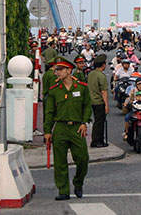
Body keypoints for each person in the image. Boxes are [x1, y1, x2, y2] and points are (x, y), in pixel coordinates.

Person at [43, 56, 92, 201]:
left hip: (77, 127)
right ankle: (63, 190)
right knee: (60, 162)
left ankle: (78, 182)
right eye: (56, 69)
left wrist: (84, 122)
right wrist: (47, 131)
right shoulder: (54, 90)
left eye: (60, 69)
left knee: (83, 158)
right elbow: (49, 112)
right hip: (61, 128)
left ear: (69, 70)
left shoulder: (81, 87)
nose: (57, 72)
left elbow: (87, 106)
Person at [87, 55, 109, 147]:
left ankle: (100, 140)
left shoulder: (91, 74)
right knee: (99, 122)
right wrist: (106, 105)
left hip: (90, 100)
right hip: (99, 101)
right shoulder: (101, 76)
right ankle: (95, 141)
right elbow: (104, 92)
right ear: (103, 65)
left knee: (98, 121)